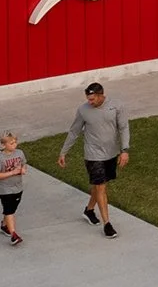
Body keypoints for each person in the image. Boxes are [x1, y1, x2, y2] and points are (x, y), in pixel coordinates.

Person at [56, 81, 130, 238]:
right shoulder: (83, 110)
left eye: (92, 99)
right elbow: (74, 131)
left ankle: (89, 210)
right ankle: (107, 224)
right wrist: (63, 152)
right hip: (93, 155)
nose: (89, 102)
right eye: (88, 99)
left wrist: (124, 150)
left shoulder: (117, 106)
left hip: (111, 153)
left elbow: (123, 128)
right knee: (101, 187)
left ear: (101, 95)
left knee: (99, 186)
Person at [0, 132, 27, 247]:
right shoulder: (0, 158)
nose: (14, 144)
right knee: (9, 210)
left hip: (18, 187)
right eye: (11, 143)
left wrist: (23, 169)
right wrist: (12, 172)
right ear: (3, 145)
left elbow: (24, 164)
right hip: (5, 189)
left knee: (12, 209)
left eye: (15, 142)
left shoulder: (20, 153)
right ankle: (13, 234)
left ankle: (4, 224)